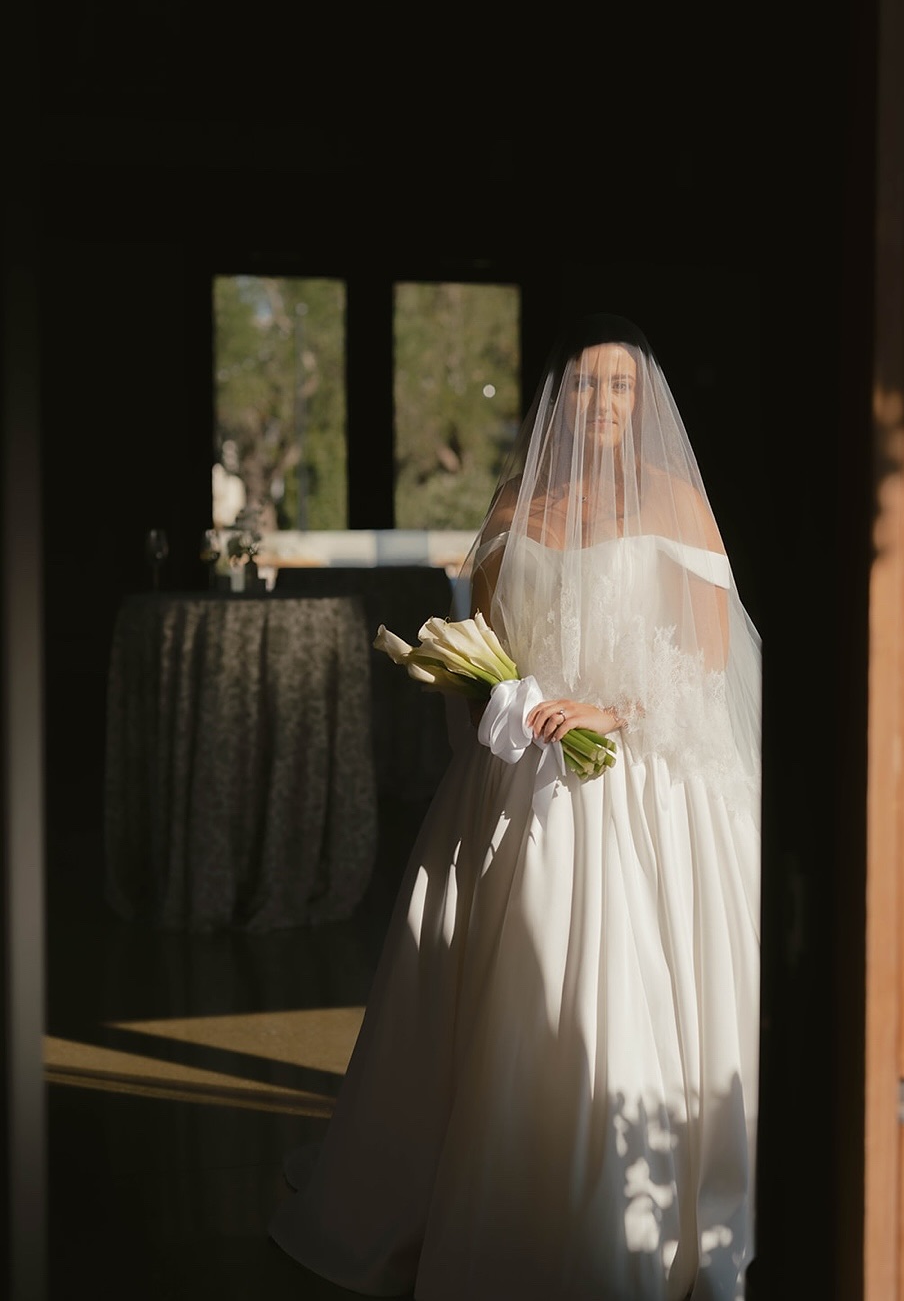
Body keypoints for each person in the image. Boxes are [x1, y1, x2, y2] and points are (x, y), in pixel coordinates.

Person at [268, 313, 762, 1301]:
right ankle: (484, 1199)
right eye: (583, 388)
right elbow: (494, 635)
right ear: (557, 400)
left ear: (644, 401)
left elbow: (708, 655)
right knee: (493, 989)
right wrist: (500, 694)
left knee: (622, 991)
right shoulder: (511, 504)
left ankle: (625, 1219)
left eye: (619, 388)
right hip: (519, 771)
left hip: (640, 771)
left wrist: (611, 713)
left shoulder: (678, 505)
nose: (601, 404)